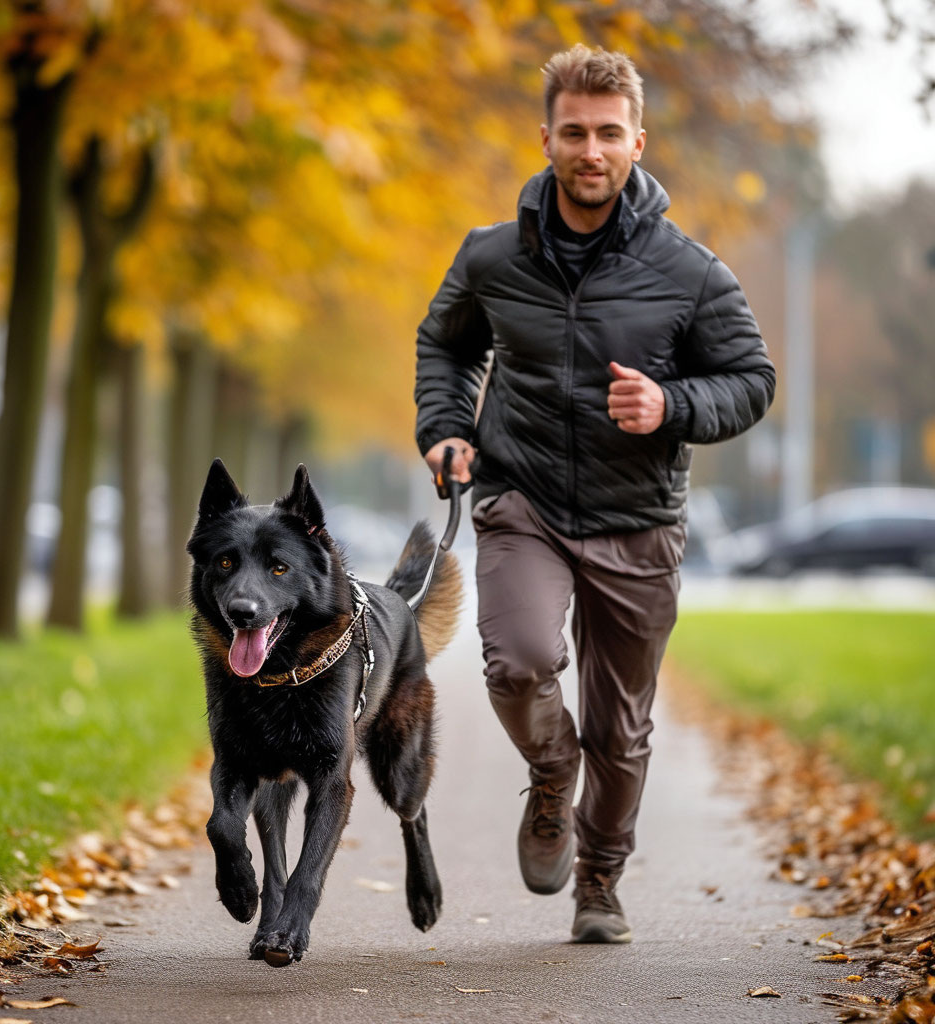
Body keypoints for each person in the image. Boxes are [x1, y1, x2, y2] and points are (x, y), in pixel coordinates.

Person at [413, 44, 775, 944]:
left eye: (609, 133)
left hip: (637, 519)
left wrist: (671, 405)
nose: (591, 150)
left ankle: (600, 878)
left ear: (637, 143)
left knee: (622, 731)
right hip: (523, 499)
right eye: (574, 132)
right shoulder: (493, 257)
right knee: (519, 662)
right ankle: (550, 771)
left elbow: (752, 379)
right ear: (546, 139)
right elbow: (446, 344)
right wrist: (446, 428)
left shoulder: (689, 271)